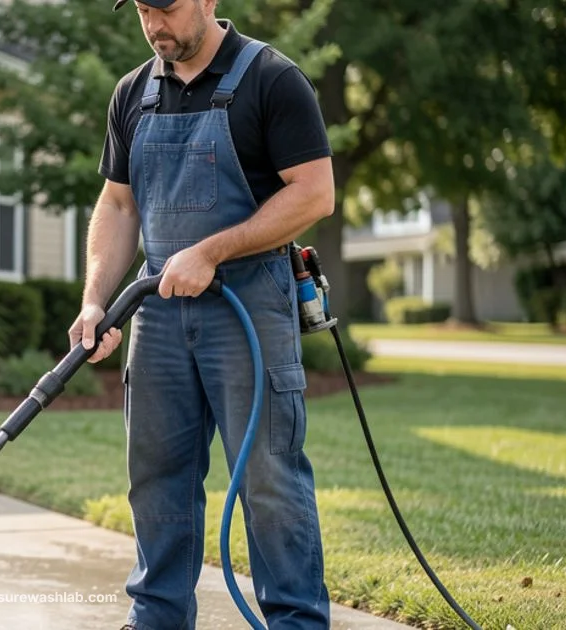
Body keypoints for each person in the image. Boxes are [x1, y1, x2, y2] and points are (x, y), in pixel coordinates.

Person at [66, 0, 336, 628]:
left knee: (267, 476)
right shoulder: (132, 93)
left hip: (249, 306)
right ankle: (156, 617)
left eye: (168, 8)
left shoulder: (271, 78)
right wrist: (95, 301)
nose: (155, 24)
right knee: (156, 474)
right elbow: (119, 204)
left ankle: (295, 620)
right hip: (157, 313)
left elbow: (314, 192)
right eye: (142, 10)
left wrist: (212, 251)